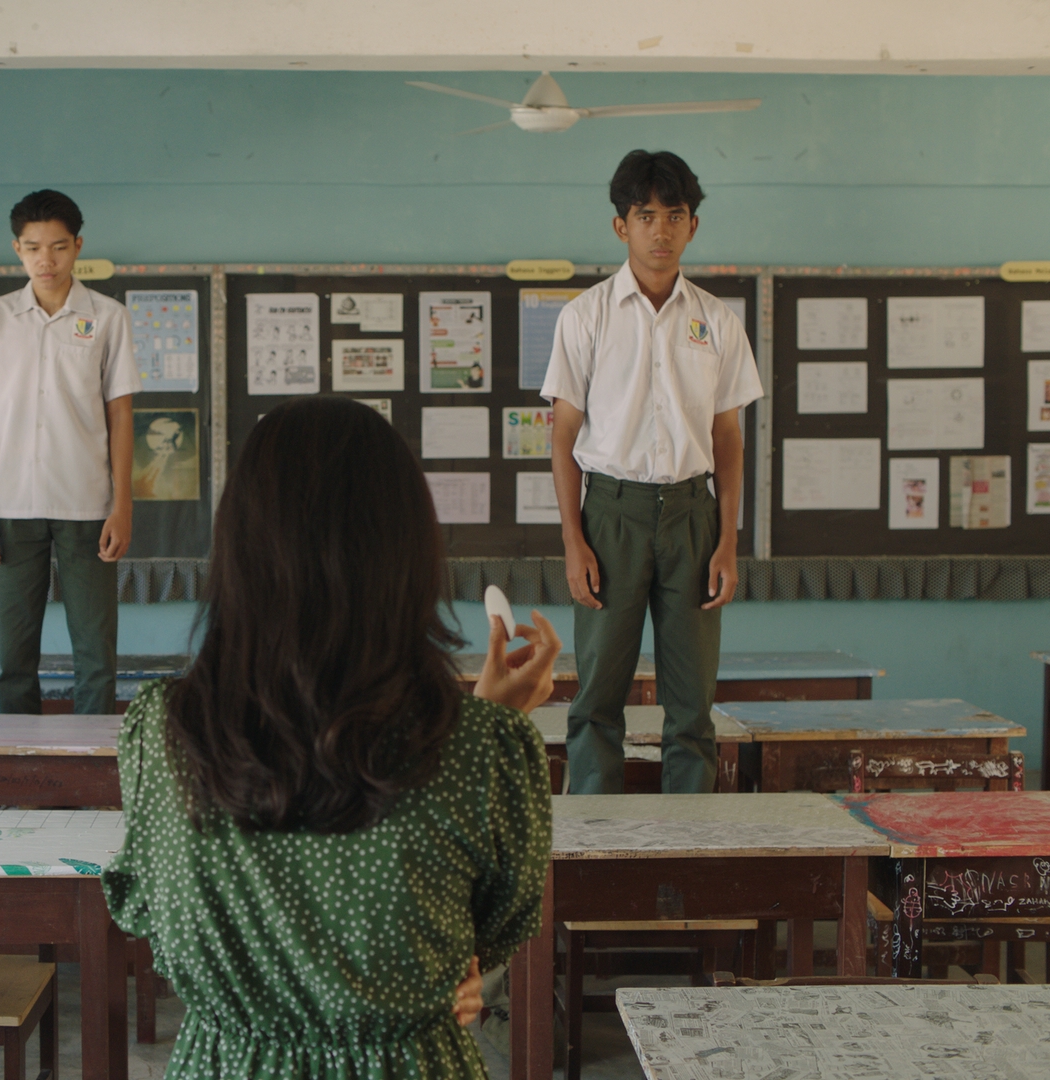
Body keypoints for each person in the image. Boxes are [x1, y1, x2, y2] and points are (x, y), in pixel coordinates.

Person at [102, 395, 560, 1078]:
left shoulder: (166, 734)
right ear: (408, 553)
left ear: (238, 550)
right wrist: (487, 724)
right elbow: (489, 928)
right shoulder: (482, 750)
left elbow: (147, 909)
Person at [540, 150, 763, 795]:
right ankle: (596, 838)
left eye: (674, 215)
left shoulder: (717, 321)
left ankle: (688, 841)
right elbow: (563, 436)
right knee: (597, 698)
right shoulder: (585, 316)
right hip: (610, 515)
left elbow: (728, 438)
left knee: (692, 706)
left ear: (693, 225)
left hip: (694, 515)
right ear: (621, 227)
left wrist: (728, 541)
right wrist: (573, 540)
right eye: (645, 216)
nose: (660, 230)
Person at [0, 189, 139, 715]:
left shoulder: (108, 317)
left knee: (96, 655)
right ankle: (20, 762)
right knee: (13, 656)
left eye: (59, 247)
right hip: (13, 504)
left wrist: (123, 505)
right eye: (34, 248)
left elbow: (121, 416)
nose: (47, 260)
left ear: (78, 246)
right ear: (17, 249)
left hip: (88, 504)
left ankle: (93, 762)